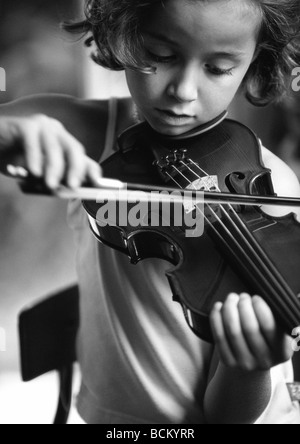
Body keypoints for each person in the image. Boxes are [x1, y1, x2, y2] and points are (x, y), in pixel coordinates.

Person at [0, 0, 300, 424]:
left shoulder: (271, 190)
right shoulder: (93, 133)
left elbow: (228, 416)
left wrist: (247, 366)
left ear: (255, 62)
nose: (183, 90)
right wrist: (10, 131)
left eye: (217, 68)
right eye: (160, 56)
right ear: (124, 34)